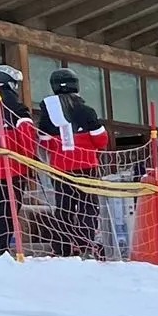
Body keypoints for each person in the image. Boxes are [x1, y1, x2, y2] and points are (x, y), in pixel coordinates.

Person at [36, 69, 108, 258]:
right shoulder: (86, 110)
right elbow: (101, 140)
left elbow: (43, 141)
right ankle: (85, 245)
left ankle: (62, 247)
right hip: (87, 167)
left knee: (64, 208)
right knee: (88, 207)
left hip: (60, 168)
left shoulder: (48, 112)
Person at [0, 66, 40, 256]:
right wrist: (30, 162)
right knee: (9, 211)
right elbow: (27, 137)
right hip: (13, 168)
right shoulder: (14, 105)